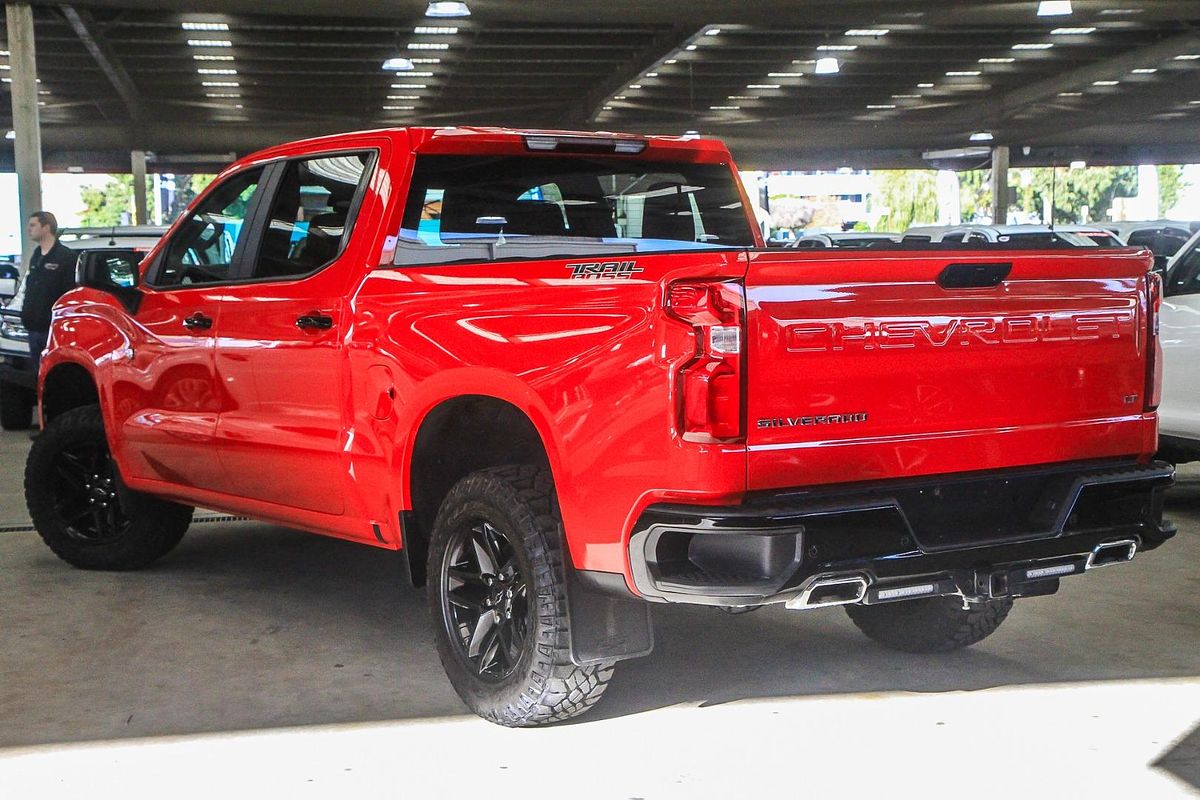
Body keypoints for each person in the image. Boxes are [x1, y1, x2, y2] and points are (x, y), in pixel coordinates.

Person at [20, 211, 77, 389]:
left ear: (46, 228)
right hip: (33, 329)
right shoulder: (36, 256)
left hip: (53, 330)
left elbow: (69, 293)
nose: (28, 229)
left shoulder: (65, 257)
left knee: (57, 381)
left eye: (33, 225)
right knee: (39, 380)